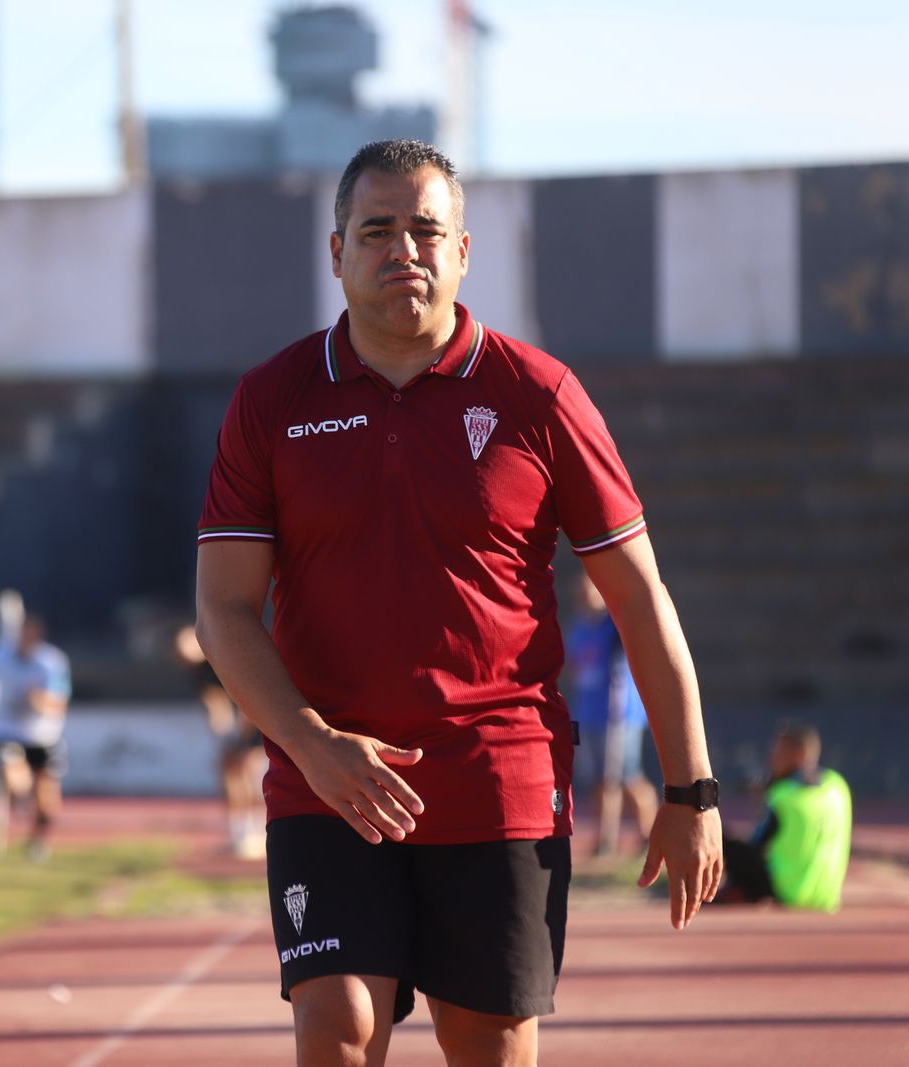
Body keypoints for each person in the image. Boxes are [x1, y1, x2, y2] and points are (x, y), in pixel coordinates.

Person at [194, 139, 723, 1067]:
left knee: (485, 1040)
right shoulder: (271, 400)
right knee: (337, 1027)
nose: (405, 250)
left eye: (427, 230)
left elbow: (639, 598)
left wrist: (692, 789)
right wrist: (313, 744)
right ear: (337, 253)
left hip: (499, 777)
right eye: (378, 230)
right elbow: (225, 613)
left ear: (464, 250)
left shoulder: (540, 395)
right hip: (331, 781)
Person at [566, 572, 657, 857]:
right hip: (588, 714)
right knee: (597, 780)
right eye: (580, 590)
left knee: (627, 776)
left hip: (620, 717)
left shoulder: (612, 626)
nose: (584, 596)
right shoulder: (579, 629)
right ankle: (606, 838)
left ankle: (649, 832)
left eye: (589, 590)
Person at [0, 610, 71, 860]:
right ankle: (21, 799)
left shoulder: (52, 662)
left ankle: (37, 842)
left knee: (48, 803)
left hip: (42, 735)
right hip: (6, 732)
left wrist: (40, 702)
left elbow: (59, 702)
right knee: (14, 773)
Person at [718, 721, 852, 912]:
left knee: (725, 841)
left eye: (778, 751)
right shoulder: (838, 786)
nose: (772, 758)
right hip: (826, 895)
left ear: (800, 753)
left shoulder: (783, 796)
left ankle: (733, 890)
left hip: (786, 890)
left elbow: (757, 844)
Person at [175, 622, 266, 859]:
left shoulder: (223, 658)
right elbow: (215, 706)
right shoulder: (197, 674)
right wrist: (225, 738)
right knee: (229, 771)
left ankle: (257, 831)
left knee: (249, 771)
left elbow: (249, 694)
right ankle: (238, 833)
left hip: (256, 716)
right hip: (237, 723)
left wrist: (241, 737)